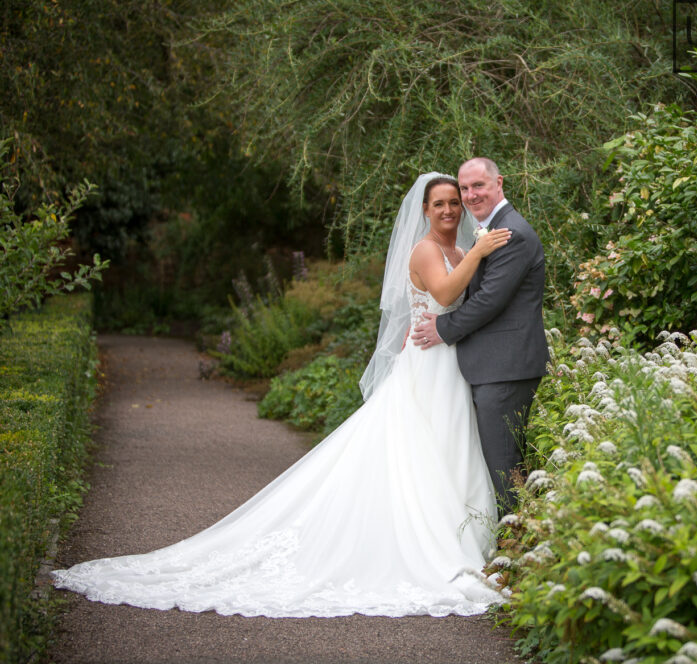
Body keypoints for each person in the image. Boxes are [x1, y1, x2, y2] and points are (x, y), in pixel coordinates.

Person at [51, 173, 512, 618]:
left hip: (450, 364)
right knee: (420, 453)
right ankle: (430, 546)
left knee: (448, 451)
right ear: (425, 210)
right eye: (440, 204)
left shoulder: (456, 246)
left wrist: (472, 252)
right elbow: (447, 291)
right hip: (426, 368)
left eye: (455, 201)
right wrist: (479, 252)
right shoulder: (428, 249)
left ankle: (462, 539)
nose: (450, 209)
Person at [411, 158, 548, 516]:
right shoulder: (485, 235)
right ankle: (513, 539)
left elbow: (489, 300)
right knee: (491, 460)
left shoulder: (509, 233)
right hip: (483, 366)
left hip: (503, 368)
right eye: (464, 189)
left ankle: (517, 545)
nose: (470, 196)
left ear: (498, 182)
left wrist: (442, 328)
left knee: (504, 463)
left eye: (477, 187)